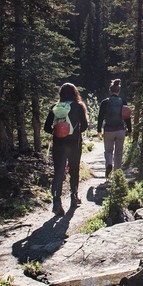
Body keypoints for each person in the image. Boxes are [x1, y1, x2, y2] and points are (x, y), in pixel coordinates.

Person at [43, 83, 89, 216]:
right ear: (75, 93)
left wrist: (58, 131)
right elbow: (85, 126)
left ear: (61, 94)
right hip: (74, 144)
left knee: (58, 173)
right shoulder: (79, 107)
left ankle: (56, 202)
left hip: (59, 144)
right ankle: (74, 198)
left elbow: (46, 127)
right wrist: (73, 131)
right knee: (74, 170)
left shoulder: (55, 107)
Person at [97, 78, 131, 177]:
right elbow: (127, 117)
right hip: (120, 130)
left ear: (110, 90)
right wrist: (129, 130)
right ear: (118, 91)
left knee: (108, 151)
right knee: (119, 152)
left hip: (108, 130)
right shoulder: (123, 101)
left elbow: (100, 117)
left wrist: (99, 130)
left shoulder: (104, 102)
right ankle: (117, 175)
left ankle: (109, 164)